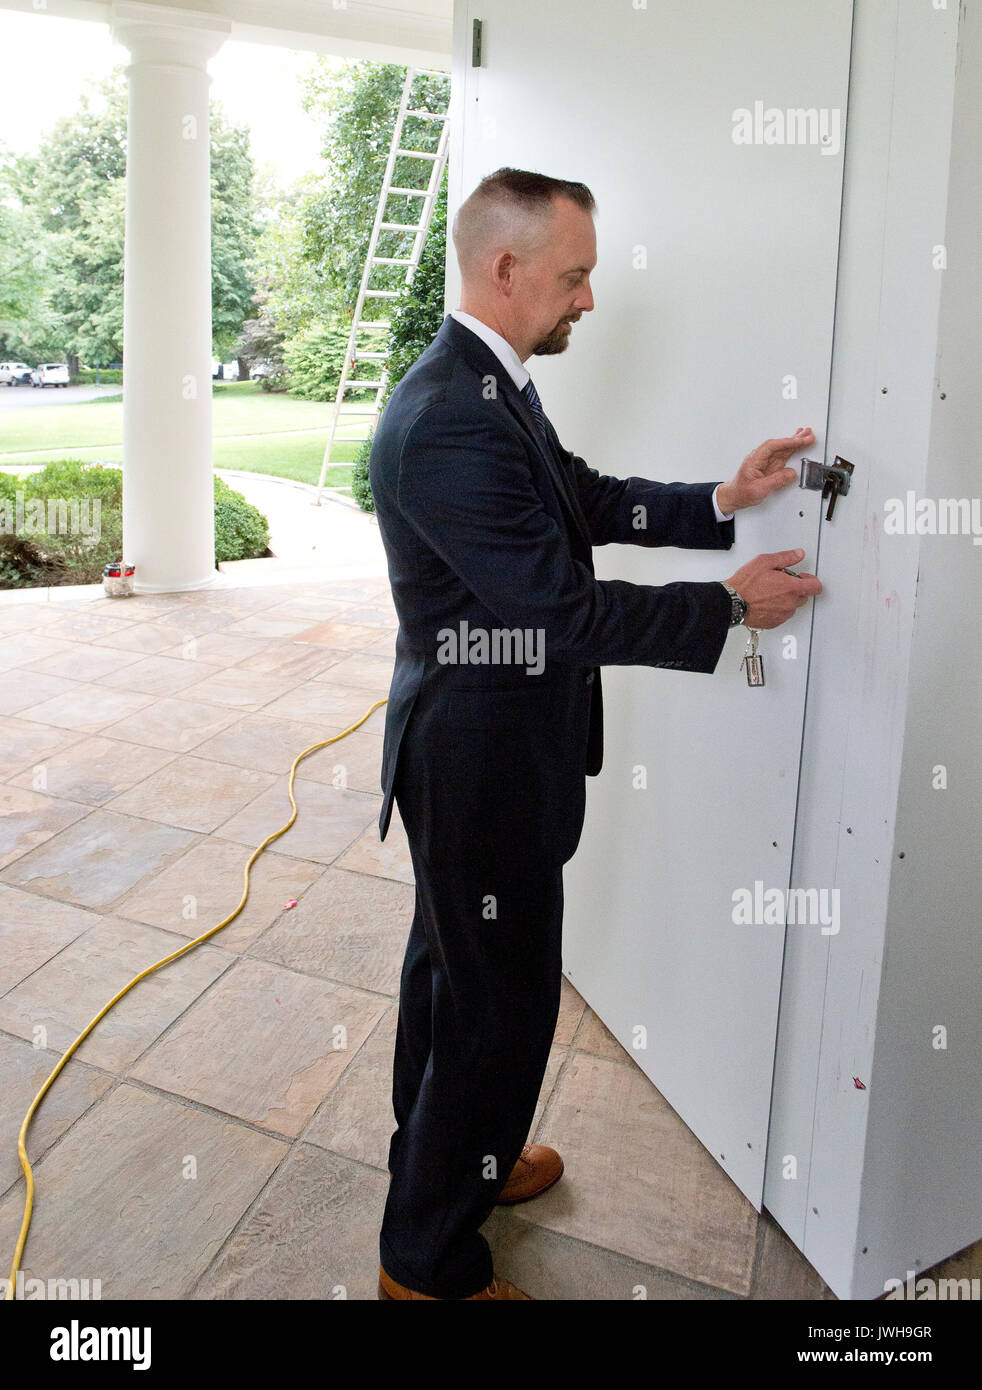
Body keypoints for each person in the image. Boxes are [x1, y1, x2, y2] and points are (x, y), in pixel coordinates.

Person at [368, 167, 822, 1300]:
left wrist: (719, 498)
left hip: (491, 744)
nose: (585, 300)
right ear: (505, 267)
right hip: (476, 757)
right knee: (497, 999)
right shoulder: (444, 419)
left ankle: (447, 1163)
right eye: (572, 277)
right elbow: (556, 610)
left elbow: (584, 497)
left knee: (453, 972)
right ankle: (424, 1262)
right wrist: (726, 606)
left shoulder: (490, 385)